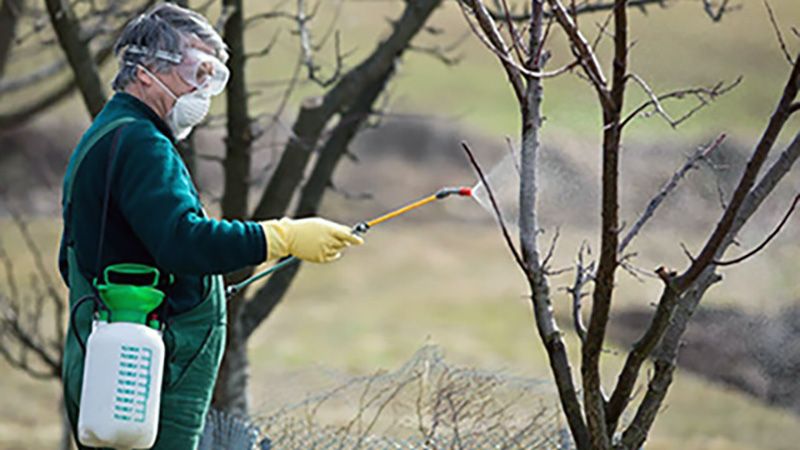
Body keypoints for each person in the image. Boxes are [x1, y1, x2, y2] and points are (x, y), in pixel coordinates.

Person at [57, 3, 363, 449]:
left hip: (119, 367)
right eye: (197, 72)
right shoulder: (140, 144)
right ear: (145, 73)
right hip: (139, 377)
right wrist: (282, 236)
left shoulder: (112, 133)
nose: (204, 91)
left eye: (212, 78)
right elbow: (184, 242)